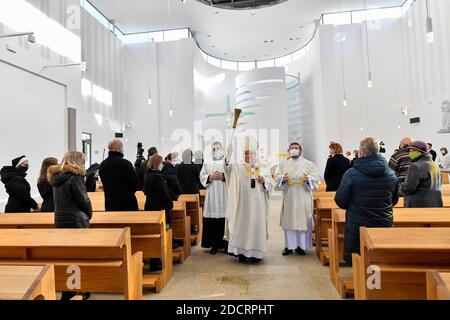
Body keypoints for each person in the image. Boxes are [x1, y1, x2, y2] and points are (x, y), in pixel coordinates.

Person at [335, 137, 399, 265]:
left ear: (362, 153)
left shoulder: (351, 174)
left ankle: (363, 283)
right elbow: (394, 200)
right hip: (384, 222)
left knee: (359, 259)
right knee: (378, 258)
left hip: (358, 224)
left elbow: (341, 202)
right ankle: (376, 283)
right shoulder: (391, 174)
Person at [48, 151, 92, 300]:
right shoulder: (75, 178)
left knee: (67, 256)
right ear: (78, 162)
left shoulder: (57, 178)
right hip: (76, 221)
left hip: (60, 220)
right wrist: (88, 214)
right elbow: (83, 201)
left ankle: (70, 290)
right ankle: (73, 291)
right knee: (79, 257)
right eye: (83, 161)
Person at [224, 137, 272, 263]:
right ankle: (241, 253)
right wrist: (228, 155)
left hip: (258, 203)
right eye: (246, 153)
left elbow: (270, 183)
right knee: (242, 226)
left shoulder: (262, 166)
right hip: (242, 203)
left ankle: (255, 254)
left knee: (256, 225)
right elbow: (227, 170)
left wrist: (264, 181)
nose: (248, 156)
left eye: (250, 153)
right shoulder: (238, 167)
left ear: (255, 154)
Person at [275, 143, 320, 256]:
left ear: (300, 151)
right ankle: (289, 246)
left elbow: (316, 177)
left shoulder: (308, 164)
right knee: (289, 221)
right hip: (289, 196)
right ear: (288, 150)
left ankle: (301, 246)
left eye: (296, 148)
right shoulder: (283, 164)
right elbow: (277, 177)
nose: (294, 150)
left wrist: (308, 179)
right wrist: (282, 179)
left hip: (303, 195)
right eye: (292, 148)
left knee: (302, 220)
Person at [144, 154, 176, 269]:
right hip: (159, 207)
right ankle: (157, 261)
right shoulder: (157, 176)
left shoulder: (148, 174)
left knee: (154, 233)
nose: (163, 164)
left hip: (150, 206)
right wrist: (170, 204)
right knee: (161, 234)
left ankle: (155, 260)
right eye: (161, 162)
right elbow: (164, 193)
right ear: (157, 163)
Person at [200, 142, 228, 255]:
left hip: (223, 192)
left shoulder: (226, 161)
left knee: (224, 219)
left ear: (222, 149)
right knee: (213, 220)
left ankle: (226, 245)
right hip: (212, 193)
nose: (216, 150)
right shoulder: (207, 161)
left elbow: (232, 174)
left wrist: (223, 176)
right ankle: (214, 245)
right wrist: (210, 177)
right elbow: (202, 175)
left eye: (217, 148)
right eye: (214, 149)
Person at [99, 139, 138, 211]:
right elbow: (134, 181)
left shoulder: (103, 164)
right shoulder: (125, 163)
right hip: (127, 202)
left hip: (110, 203)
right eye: (122, 147)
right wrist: (128, 193)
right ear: (117, 149)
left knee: (113, 222)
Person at [401, 141, 443, 208]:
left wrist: (400, 187)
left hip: (419, 205)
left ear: (418, 151)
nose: (410, 153)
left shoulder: (416, 166)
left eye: (412, 151)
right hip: (435, 205)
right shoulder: (434, 165)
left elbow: (408, 188)